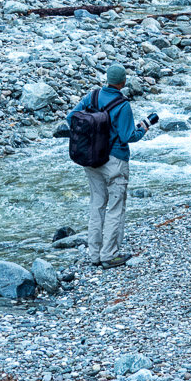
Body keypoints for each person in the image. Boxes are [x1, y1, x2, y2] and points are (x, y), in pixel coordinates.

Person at [66, 63, 151, 269]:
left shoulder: (92, 97)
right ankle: (109, 255)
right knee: (115, 208)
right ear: (123, 82)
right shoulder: (123, 105)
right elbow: (127, 136)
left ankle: (94, 254)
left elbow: (71, 118)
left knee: (97, 205)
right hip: (115, 162)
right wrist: (144, 128)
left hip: (91, 159)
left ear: (107, 79)